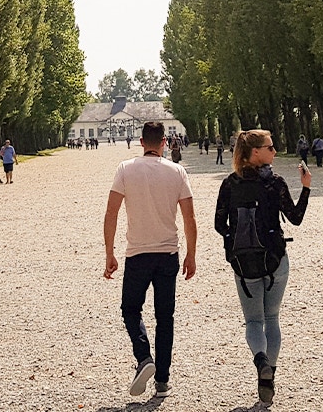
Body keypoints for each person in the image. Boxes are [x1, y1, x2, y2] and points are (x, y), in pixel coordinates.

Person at [104, 120, 198, 401]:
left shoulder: (125, 169)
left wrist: (109, 252)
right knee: (165, 317)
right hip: (168, 253)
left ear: (142, 142)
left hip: (138, 253)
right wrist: (191, 253)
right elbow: (189, 217)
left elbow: (111, 212)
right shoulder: (177, 171)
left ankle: (144, 357)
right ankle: (163, 381)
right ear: (165, 143)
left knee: (130, 309)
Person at [216, 129, 310, 406]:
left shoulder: (230, 184)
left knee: (254, 321)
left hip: (243, 263)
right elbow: (295, 218)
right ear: (255, 152)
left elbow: (219, 224)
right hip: (275, 260)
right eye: (270, 147)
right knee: (272, 318)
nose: (275, 151)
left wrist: (236, 239)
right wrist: (306, 187)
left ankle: (260, 361)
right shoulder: (274, 183)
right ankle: (269, 376)